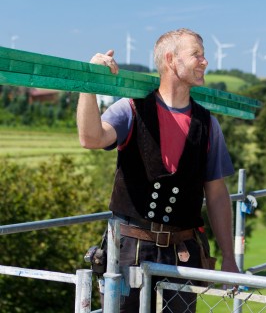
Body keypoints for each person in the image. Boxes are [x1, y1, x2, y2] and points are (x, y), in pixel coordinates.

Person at [77, 28, 239, 312]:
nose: (205, 61)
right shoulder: (130, 109)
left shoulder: (208, 124)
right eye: (196, 55)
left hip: (182, 257)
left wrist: (228, 257)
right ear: (171, 60)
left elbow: (216, 194)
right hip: (128, 252)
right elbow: (90, 138)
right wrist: (89, 83)